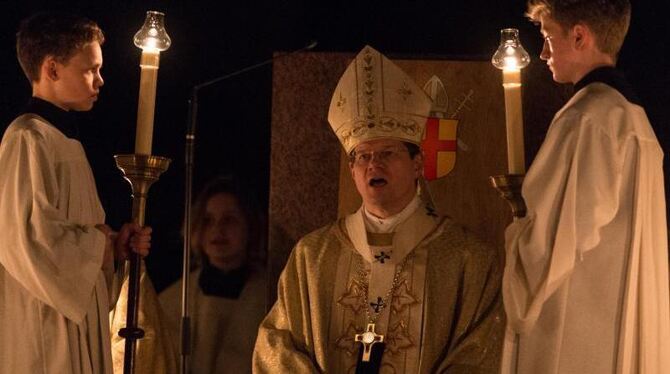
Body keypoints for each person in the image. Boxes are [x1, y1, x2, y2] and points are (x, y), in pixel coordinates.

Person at [253, 45, 504, 373]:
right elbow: (276, 346)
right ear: (353, 169)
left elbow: (481, 356)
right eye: (363, 156)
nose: (374, 165)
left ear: (417, 164)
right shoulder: (312, 257)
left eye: (388, 153)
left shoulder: (467, 260)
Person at [501, 1, 670, 373]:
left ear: (579, 36)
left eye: (548, 37)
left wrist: (517, 233)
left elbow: (548, 247)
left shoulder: (586, 119)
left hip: (580, 340)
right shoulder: (634, 119)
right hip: (615, 332)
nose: (543, 53)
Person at [0, 12, 152, 373]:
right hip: (45, 328)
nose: (100, 80)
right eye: (90, 70)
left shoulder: (66, 144)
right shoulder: (27, 139)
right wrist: (98, 244)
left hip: (74, 322)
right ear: (51, 69)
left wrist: (113, 245)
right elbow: (23, 236)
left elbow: (77, 235)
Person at [159, 176, 267, 374]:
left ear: (249, 226)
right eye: (208, 220)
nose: (218, 230)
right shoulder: (173, 301)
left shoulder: (269, 297)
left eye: (229, 220)